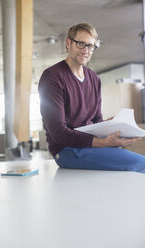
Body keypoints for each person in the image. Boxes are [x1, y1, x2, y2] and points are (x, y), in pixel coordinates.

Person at [38, 22, 145, 173]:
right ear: (68, 43)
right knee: (143, 164)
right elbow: (58, 132)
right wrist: (103, 142)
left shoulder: (94, 79)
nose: (86, 50)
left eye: (91, 46)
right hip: (66, 151)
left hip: (88, 147)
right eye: (81, 44)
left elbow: (96, 120)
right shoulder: (52, 77)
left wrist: (109, 128)